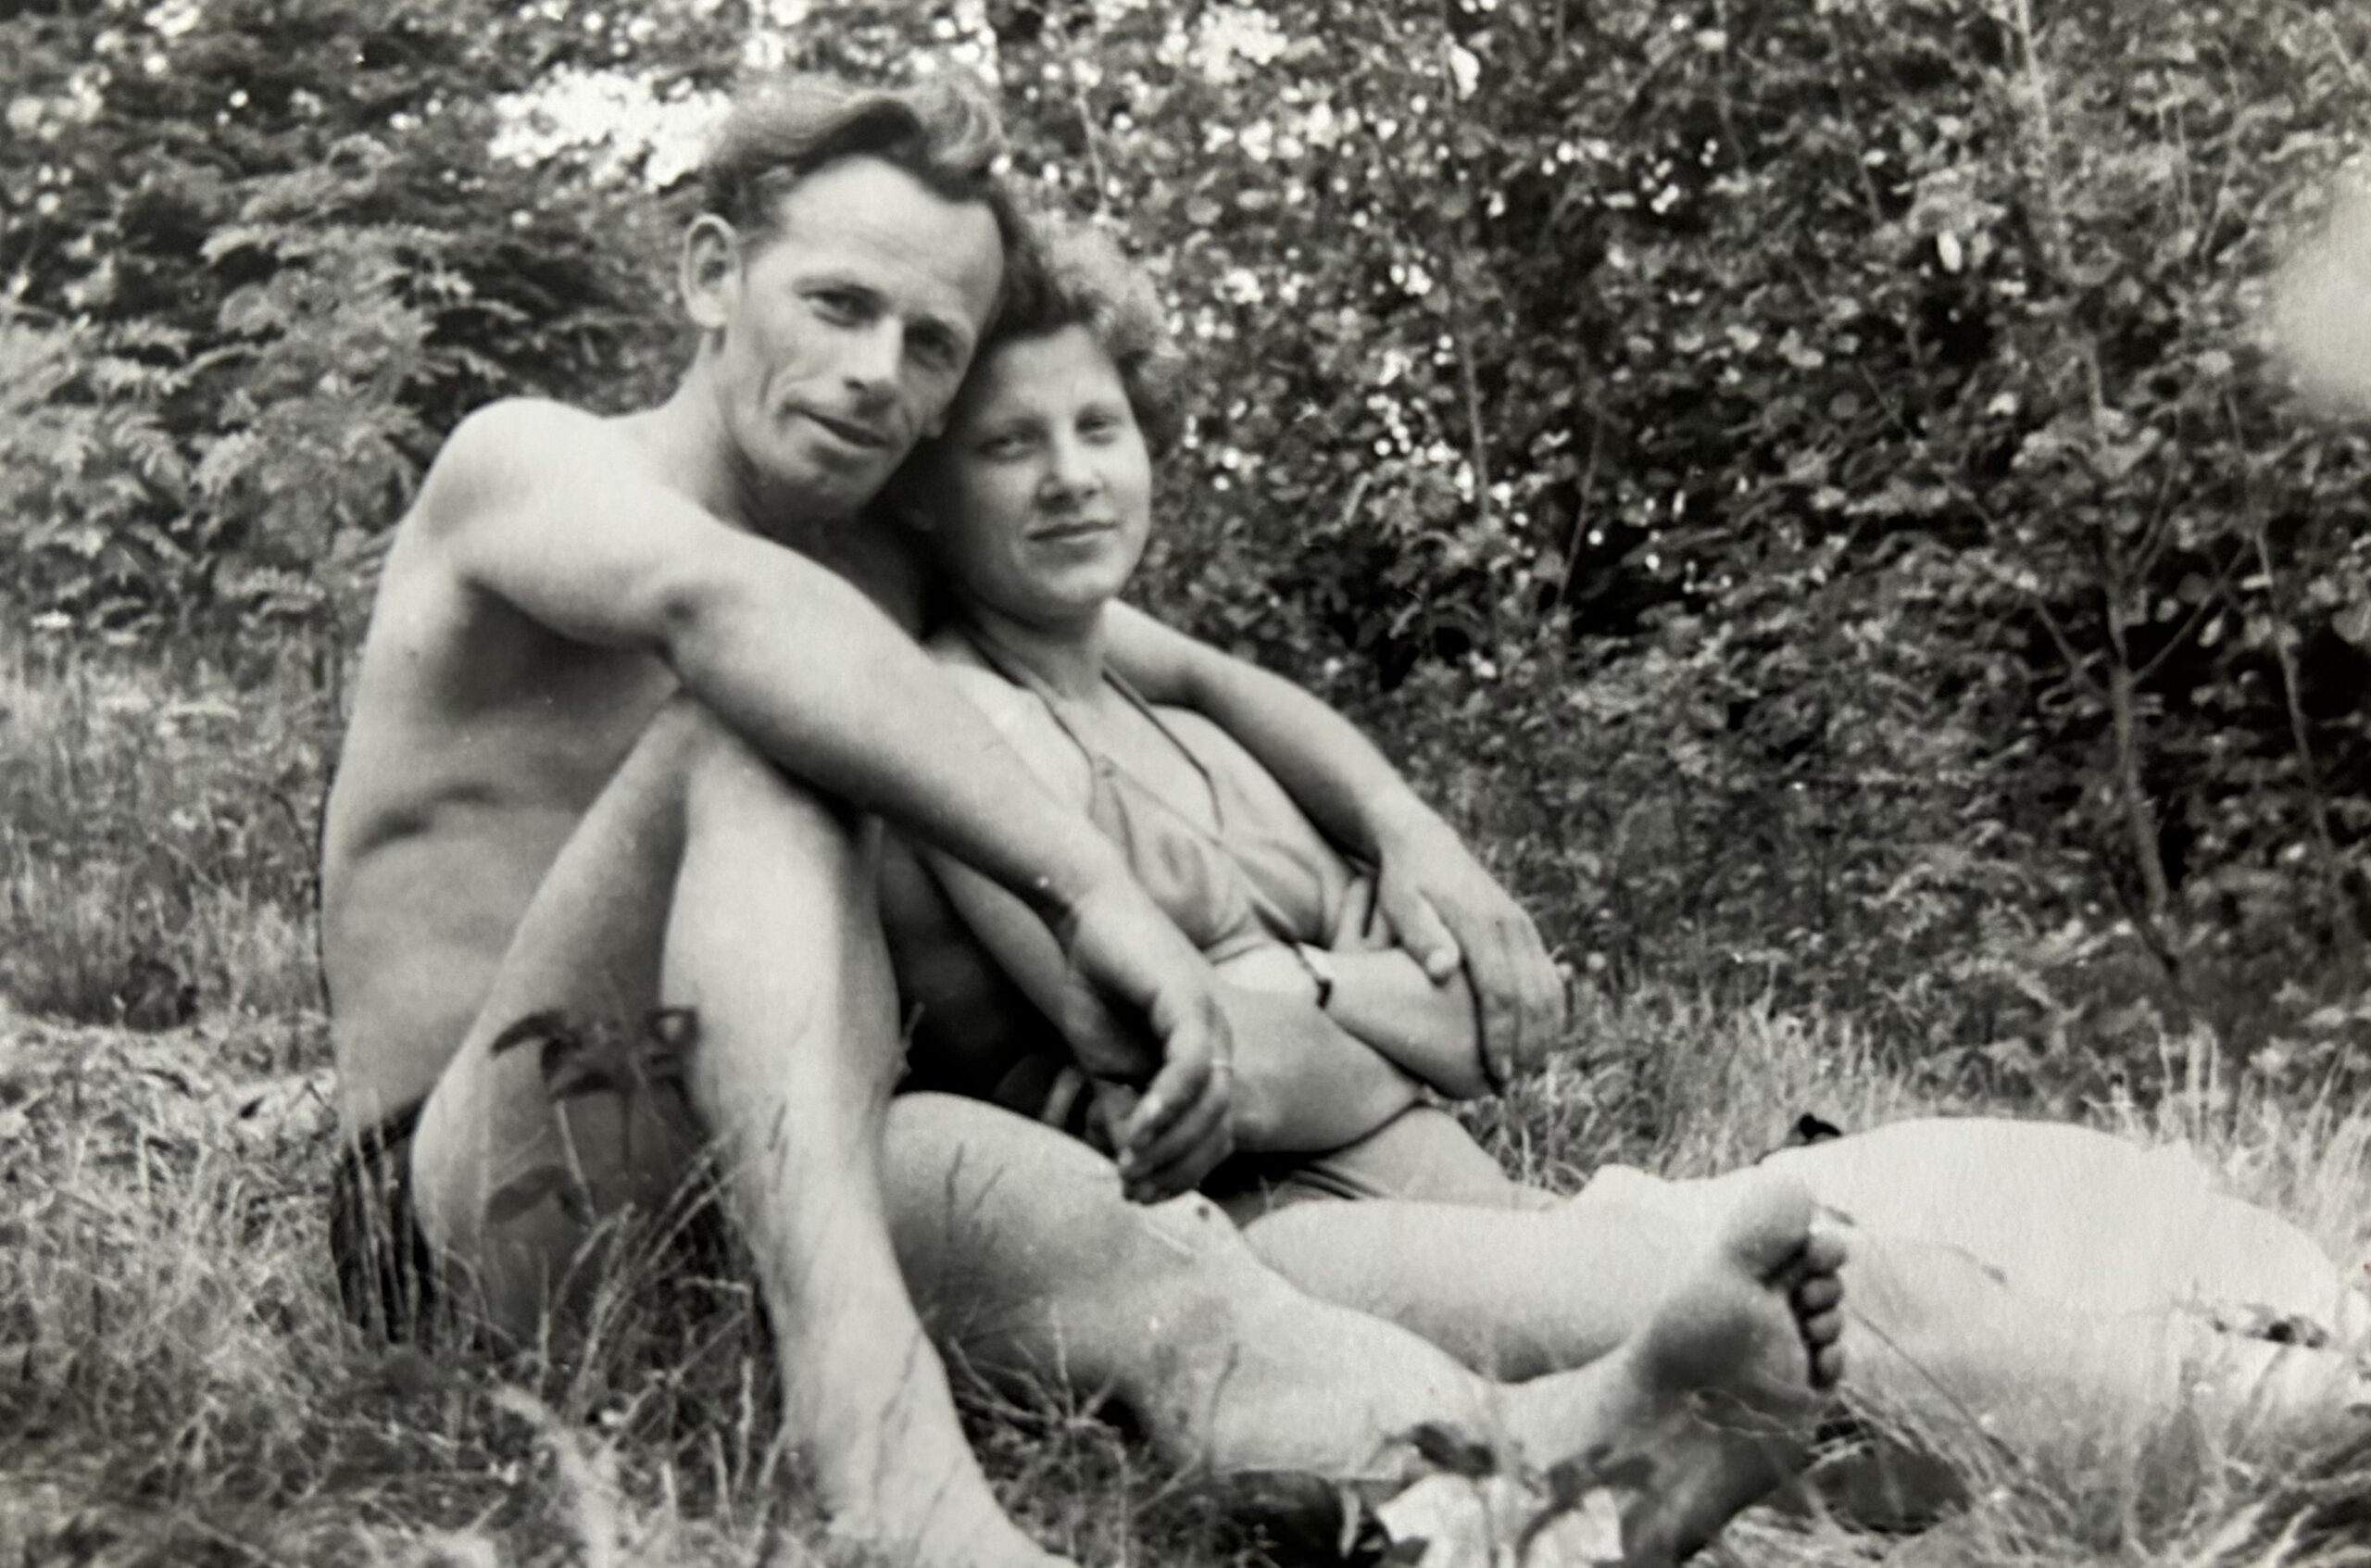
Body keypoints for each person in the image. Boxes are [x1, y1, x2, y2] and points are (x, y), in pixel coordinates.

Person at [318, 69, 1843, 1568]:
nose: (878, 374)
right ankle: (882, 1467)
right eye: (838, 305)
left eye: (932, 343)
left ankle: (1526, 1488)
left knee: (1132, 1245)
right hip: (482, 1211)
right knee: (759, 724)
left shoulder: (872, 567)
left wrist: (1400, 819)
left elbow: (1186, 667)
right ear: (715, 274)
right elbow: (728, 614)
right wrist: (1090, 893)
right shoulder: (533, 466)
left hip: (762, 1173)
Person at [883, 219, 2370, 1526]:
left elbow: (1467, 1026)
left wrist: (1355, 918)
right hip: (1305, 1248)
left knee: (2057, 1189)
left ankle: (2271, 1365)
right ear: (928, 490)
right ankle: (2299, 1431)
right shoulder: (958, 727)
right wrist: (1383, 1006)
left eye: (1100, 425)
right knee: (1859, 1293)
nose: (1073, 477)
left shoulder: (1132, 672)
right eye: (1011, 445)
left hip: (1514, 1206)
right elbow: (1220, 1073)